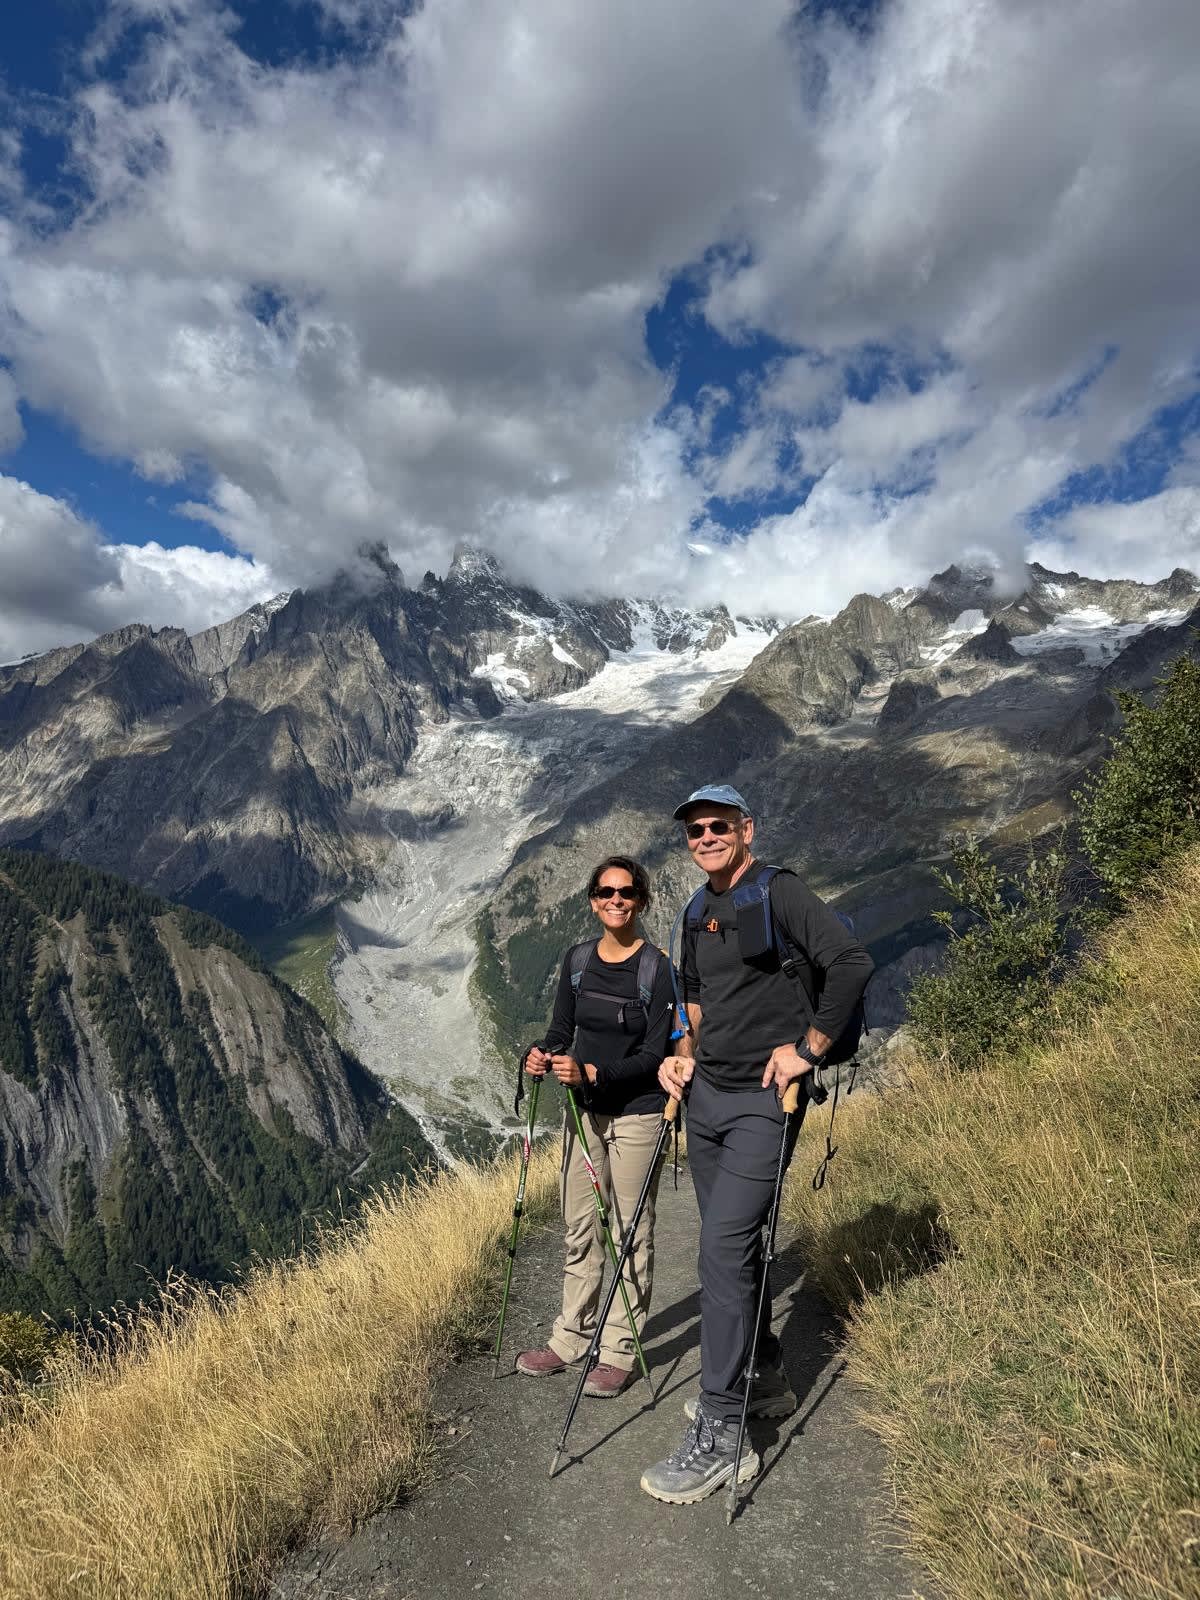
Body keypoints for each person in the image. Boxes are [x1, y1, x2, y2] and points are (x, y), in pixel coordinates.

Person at [639, 784, 874, 1504]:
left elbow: (851, 964)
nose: (704, 837)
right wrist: (683, 1050)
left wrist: (807, 1050)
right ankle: (763, 1371)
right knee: (731, 1241)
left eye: (717, 826)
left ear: (746, 829)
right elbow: (696, 999)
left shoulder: (781, 892)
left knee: (723, 1250)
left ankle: (722, 1434)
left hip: (765, 1102)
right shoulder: (696, 909)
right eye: (693, 830)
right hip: (707, 1096)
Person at [515, 855, 675, 1397]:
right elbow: (561, 1029)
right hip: (583, 1111)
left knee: (631, 1231)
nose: (615, 900)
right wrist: (538, 1055)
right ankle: (570, 1338)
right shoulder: (578, 961)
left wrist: (593, 1072)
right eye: (605, 891)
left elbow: (656, 1053)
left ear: (641, 900)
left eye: (626, 892)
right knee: (580, 1226)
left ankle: (620, 1349)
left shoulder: (657, 968)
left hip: (638, 1113)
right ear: (591, 899)